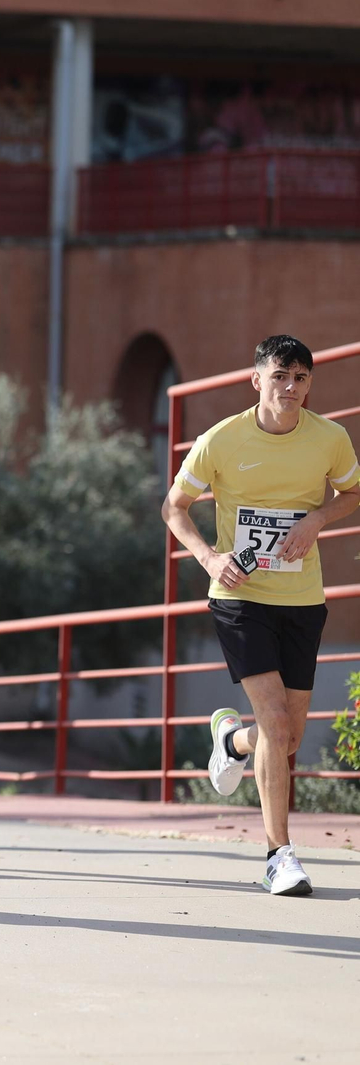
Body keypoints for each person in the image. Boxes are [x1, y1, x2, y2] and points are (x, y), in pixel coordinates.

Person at [161, 334, 360, 896]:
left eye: (300, 379)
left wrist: (317, 518)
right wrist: (209, 557)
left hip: (302, 599)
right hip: (240, 599)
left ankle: (230, 743)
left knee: (287, 736)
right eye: (280, 377)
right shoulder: (221, 440)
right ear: (257, 381)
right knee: (276, 723)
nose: (291, 389)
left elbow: (353, 491)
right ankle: (280, 854)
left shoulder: (330, 439)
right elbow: (173, 507)